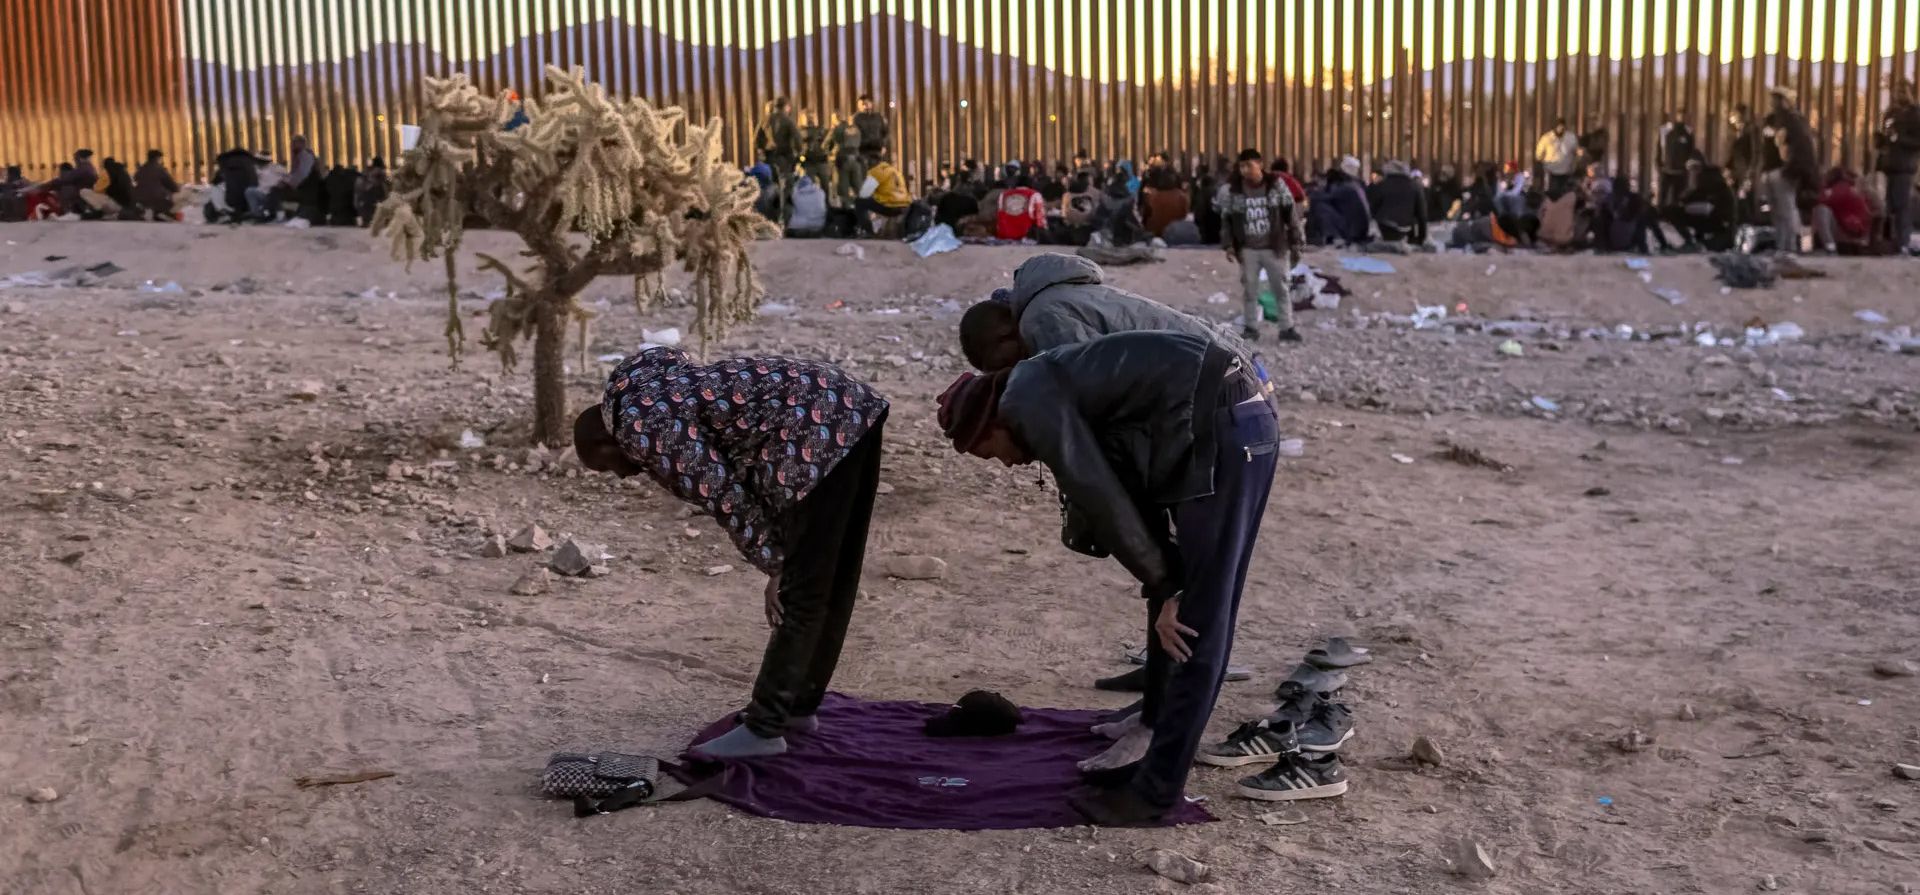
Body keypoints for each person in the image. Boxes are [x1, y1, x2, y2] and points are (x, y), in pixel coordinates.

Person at [936, 330, 1283, 826]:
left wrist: (1168, 589)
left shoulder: (1027, 398)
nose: (1007, 464)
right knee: (1201, 609)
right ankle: (1156, 774)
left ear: (990, 422)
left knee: (1195, 620)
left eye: (991, 453)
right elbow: (1127, 487)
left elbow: (1103, 499)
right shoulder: (1042, 384)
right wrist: (1165, 582)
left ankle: (1156, 794)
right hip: (1231, 421)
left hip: (1224, 426)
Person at [575, 348, 888, 759]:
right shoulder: (634, 382)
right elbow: (678, 358)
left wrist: (775, 567)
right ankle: (797, 706)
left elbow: (727, 498)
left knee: (802, 591)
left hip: (812, 433)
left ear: (606, 439)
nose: (622, 474)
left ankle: (765, 728)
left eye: (608, 466)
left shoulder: (643, 430)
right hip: (845, 403)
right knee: (835, 572)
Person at [957, 252, 1256, 375]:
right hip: (1226, 357)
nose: (1014, 370)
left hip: (1222, 372)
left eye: (1005, 363)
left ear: (1005, 333)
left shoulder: (1041, 318)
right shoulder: (1052, 299)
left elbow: (1093, 384)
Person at [1216, 150, 1305, 342]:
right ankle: (1251, 327)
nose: (1245, 170)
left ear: (1260, 164)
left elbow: (1291, 213)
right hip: (1248, 249)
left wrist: (1297, 240)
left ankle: (1286, 327)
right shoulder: (1234, 190)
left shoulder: (1276, 185)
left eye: (1249, 165)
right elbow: (1226, 220)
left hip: (1274, 247)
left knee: (1281, 288)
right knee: (1250, 290)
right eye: (1241, 166)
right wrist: (1228, 246)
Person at [1763, 88, 1819, 253]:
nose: (1773, 103)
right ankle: (1782, 246)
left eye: (1777, 99)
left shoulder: (1793, 121)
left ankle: (1789, 247)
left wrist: (1791, 169)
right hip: (1773, 170)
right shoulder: (1772, 121)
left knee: (1786, 210)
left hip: (1784, 171)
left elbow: (1800, 148)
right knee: (1777, 211)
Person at [1875, 85, 1920, 255]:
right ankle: (1890, 242)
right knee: (1889, 205)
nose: (1898, 95)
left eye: (1902, 91)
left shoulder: (1915, 114)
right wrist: (1881, 139)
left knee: (1902, 205)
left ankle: (1903, 243)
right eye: (1897, 91)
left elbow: (1917, 142)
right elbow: (1887, 136)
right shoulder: (1891, 113)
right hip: (1888, 164)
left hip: (1904, 166)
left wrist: (1898, 139)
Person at [1665, 160, 1737, 251]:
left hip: (1722, 226)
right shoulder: (1706, 187)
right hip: (1708, 221)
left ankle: (1702, 243)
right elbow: (1687, 199)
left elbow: (1725, 214)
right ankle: (1691, 241)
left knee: (1710, 244)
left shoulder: (1723, 190)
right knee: (1673, 211)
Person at [754, 98, 802, 220]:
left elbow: (756, 140)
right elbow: (797, 139)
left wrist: (763, 149)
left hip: (769, 159)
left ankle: (768, 218)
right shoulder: (788, 120)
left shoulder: (765, 120)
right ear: (785, 107)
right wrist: (799, 155)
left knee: (770, 186)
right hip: (784, 159)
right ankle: (783, 219)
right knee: (785, 188)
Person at [1366, 159, 1428, 246]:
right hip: (1406, 227)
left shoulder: (1382, 185)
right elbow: (1422, 214)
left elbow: (1372, 207)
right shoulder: (1415, 186)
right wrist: (1421, 238)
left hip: (1385, 226)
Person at [1306, 164, 1371, 247]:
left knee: (1320, 207)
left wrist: (1312, 192)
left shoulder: (1342, 188)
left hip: (1353, 231)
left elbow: (1322, 198)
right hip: (1359, 229)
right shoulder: (1351, 185)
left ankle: (1323, 237)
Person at [1811, 167, 1873, 254]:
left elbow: (1824, 201)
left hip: (1850, 230)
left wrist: (1822, 190)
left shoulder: (1841, 187)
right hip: (1853, 228)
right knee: (1822, 211)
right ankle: (1826, 246)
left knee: (1821, 209)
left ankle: (1830, 246)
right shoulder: (1848, 187)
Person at [854, 149, 910, 235]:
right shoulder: (894, 170)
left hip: (891, 207)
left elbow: (863, 194)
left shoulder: (876, 171)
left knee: (859, 201)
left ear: (874, 161)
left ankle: (868, 231)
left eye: (868, 162)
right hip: (904, 206)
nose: (867, 164)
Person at [1657, 110, 1698, 208]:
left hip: (1680, 171)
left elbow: (1691, 150)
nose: (1682, 118)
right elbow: (1660, 147)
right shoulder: (1666, 130)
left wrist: (1686, 166)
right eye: (1680, 116)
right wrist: (1659, 163)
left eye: (1684, 116)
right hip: (1667, 169)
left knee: (1678, 197)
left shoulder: (1688, 132)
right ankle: (1661, 214)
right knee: (1663, 196)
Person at [1090, 174, 1145, 246]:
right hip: (1122, 238)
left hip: (1103, 235)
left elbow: (1096, 220)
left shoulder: (1104, 197)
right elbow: (1135, 223)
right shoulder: (1129, 200)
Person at [828, 112, 865, 208]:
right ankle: (863, 209)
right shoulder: (857, 130)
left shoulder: (839, 129)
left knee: (843, 187)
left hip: (844, 160)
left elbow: (833, 141)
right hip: (856, 159)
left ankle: (846, 209)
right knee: (858, 187)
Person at [1535, 118, 1581, 195]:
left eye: (1562, 126)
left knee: (1565, 194)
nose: (1561, 129)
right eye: (1559, 127)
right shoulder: (1546, 138)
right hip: (1551, 172)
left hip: (1567, 172)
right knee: (1552, 194)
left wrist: (1579, 154)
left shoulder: (1571, 137)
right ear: (1554, 127)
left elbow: (1576, 151)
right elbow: (1538, 155)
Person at [49, 149, 99, 218]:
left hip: (80, 198)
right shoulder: (90, 168)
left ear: (80, 158)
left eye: (76, 158)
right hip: (85, 197)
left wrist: (51, 183)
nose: (75, 161)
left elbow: (66, 179)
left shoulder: (83, 168)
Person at [995, 174, 1044, 241]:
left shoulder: (1003, 194)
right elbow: (1040, 217)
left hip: (1004, 234)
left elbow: (999, 214)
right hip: (1025, 235)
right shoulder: (1035, 194)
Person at [798, 110, 831, 197]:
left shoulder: (822, 130)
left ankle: (826, 206)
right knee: (810, 186)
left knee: (825, 186)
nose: (810, 119)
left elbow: (830, 142)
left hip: (821, 161)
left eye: (812, 117)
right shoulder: (801, 131)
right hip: (809, 162)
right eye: (808, 117)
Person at [354, 157, 389, 226]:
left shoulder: (368, 170)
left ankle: (366, 221)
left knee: (368, 207)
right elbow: (384, 181)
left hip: (366, 191)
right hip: (376, 191)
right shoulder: (380, 171)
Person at [852, 94, 889, 159]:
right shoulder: (856, 118)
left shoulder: (878, 117)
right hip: (862, 152)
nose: (865, 106)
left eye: (866, 103)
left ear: (871, 103)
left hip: (877, 151)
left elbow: (885, 132)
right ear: (859, 105)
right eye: (862, 104)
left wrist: (884, 146)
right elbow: (853, 135)